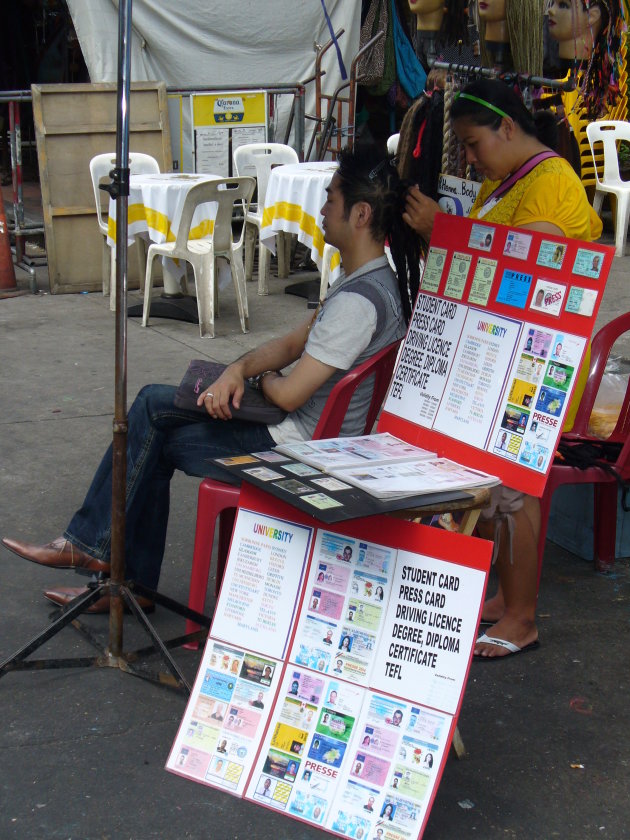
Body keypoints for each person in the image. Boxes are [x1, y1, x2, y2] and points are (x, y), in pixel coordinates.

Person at [1, 146, 420, 612]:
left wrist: (253, 382)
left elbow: (289, 394)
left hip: (296, 448)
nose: (321, 210)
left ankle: (104, 563)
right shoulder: (366, 282)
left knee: (151, 433)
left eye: (330, 200)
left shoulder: (358, 304)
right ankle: (108, 568)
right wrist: (236, 370)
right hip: (296, 429)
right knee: (151, 409)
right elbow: (289, 343)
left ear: (360, 214)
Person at [403, 78, 602, 659]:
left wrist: (443, 229)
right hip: (497, 355)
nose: (467, 155)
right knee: (488, 483)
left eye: (472, 142)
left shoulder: (554, 182)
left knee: (515, 491)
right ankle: (501, 598)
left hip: (537, 364)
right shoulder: (502, 181)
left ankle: (522, 618)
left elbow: (532, 268)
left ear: (507, 128)